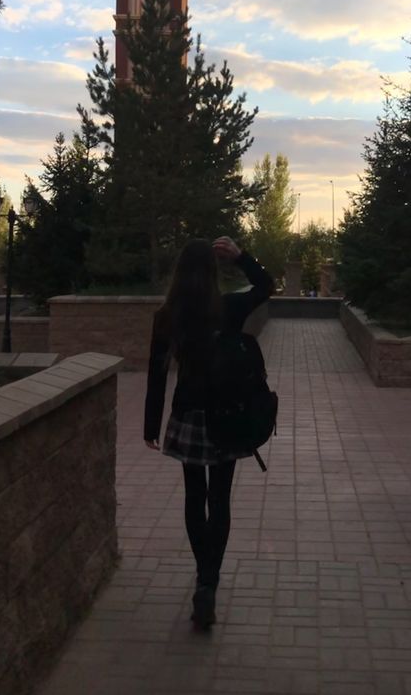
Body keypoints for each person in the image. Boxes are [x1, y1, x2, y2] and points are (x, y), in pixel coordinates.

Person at [143, 235, 274, 629]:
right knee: (220, 499)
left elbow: (156, 375)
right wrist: (242, 257)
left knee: (193, 496)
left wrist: (150, 425)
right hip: (226, 417)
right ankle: (209, 581)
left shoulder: (167, 315)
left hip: (187, 417)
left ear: (180, 272)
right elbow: (266, 287)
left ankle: (203, 574)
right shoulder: (229, 307)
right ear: (214, 271)